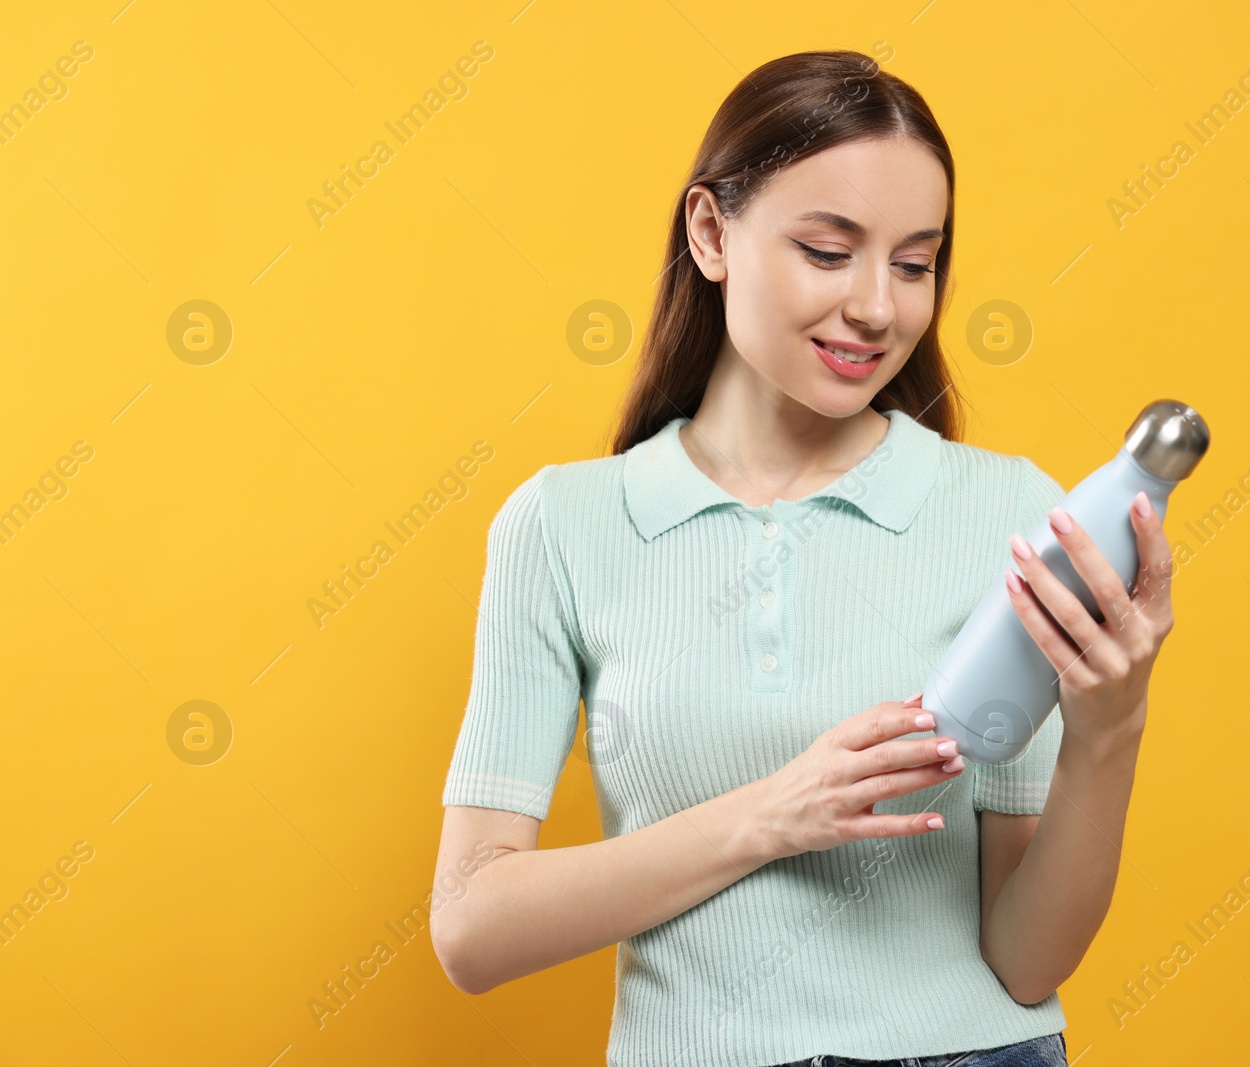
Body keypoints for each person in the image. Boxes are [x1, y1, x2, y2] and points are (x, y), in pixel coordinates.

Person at [430, 49, 1176, 1067]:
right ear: (710, 232)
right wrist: (770, 815)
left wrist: (1109, 725)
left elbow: (1028, 963)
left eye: (914, 264)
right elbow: (472, 926)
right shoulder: (564, 525)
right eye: (829, 252)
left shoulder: (1007, 509)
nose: (878, 307)